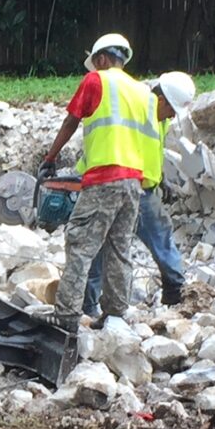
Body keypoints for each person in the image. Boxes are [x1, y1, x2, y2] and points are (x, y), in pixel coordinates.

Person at [39, 33, 163, 330]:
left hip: (104, 180)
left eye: (95, 63)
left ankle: (67, 314)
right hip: (133, 182)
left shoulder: (97, 81)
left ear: (103, 59)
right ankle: (115, 313)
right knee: (119, 248)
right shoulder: (144, 93)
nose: (93, 68)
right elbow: (149, 141)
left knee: (80, 245)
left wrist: (50, 158)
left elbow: (72, 121)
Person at [83, 71, 195, 313]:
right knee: (103, 247)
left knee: (153, 238)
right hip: (128, 187)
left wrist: (159, 178)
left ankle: (175, 293)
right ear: (162, 100)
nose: (173, 116)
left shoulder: (159, 116)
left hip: (143, 186)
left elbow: (152, 150)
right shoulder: (139, 110)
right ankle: (90, 307)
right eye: (172, 109)